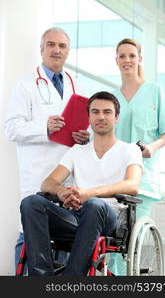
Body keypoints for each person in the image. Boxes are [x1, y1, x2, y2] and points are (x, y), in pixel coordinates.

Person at [20, 91, 144, 276]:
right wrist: (61, 191)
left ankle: (72, 280)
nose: (101, 117)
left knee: (94, 205)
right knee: (31, 202)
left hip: (110, 219)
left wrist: (89, 193)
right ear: (89, 117)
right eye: (95, 112)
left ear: (116, 117)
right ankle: (41, 278)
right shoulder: (77, 151)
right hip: (76, 217)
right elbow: (48, 182)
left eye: (107, 112)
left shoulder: (130, 150)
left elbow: (132, 185)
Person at [4, 27, 89, 272]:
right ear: (42, 49)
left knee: (64, 238)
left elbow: (86, 126)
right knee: (31, 232)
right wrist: (45, 127)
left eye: (62, 46)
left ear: (68, 52)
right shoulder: (26, 85)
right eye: (51, 44)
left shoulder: (77, 84)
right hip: (37, 173)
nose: (56, 49)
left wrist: (84, 136)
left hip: (68, 176)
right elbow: (11, 128)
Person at [108, 38, 165, 275]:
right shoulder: (111, 97)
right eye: (122, 56)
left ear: (140, 59)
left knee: (132, 243)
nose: (127, 60)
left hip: (143, 179)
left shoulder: (154, 91)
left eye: (131, 55)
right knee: (112, 244)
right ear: (116, 60)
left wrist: (152, 147)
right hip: (113, 179)